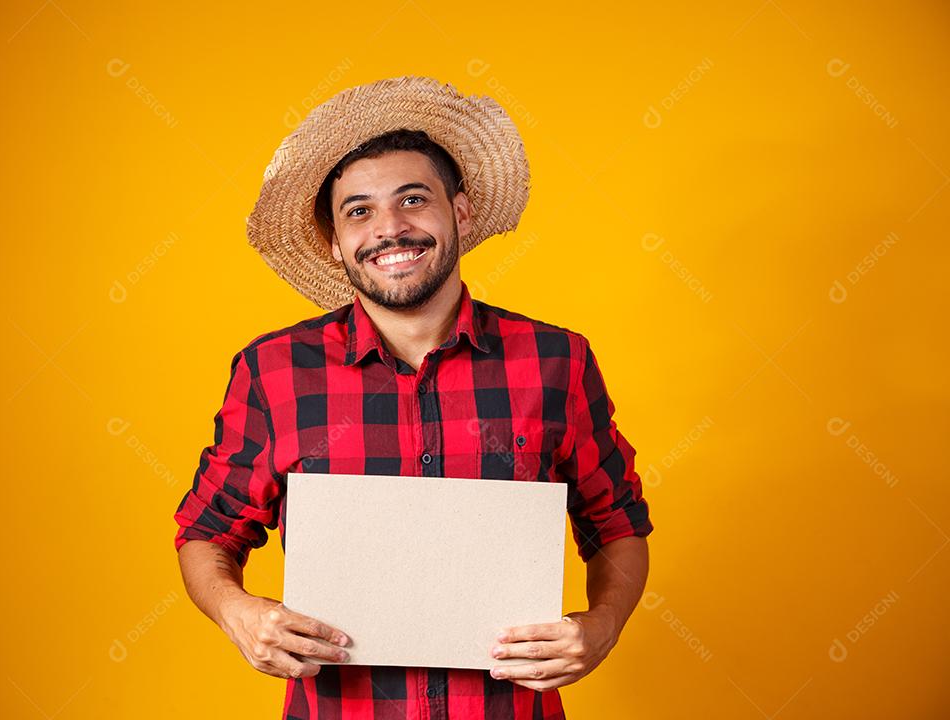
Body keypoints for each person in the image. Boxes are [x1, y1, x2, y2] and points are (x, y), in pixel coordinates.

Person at [173, 76, 653, 720]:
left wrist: (601, 628)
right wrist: (239, 612)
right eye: (359, 211)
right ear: (335, 241)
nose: (390, 229)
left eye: (413, 199)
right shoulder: (273, 370)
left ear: (460, 212)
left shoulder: (556, 361)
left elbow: (618, 524)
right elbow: (207, 531)